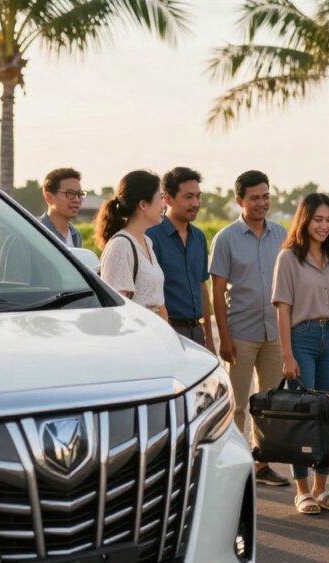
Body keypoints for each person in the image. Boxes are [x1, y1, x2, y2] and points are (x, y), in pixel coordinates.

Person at [272, 193, 329, 516]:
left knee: (328, 415)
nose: (324, 226)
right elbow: (282, 309)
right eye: (318, 219)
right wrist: (287, 354)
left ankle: (322, 489)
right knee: (305, 414)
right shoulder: (289, 258)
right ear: (305, 219)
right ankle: (302, 490)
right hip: (302, 338)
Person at [209, 170, 289, 487]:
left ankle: (261, 464)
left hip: (275, 333)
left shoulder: (282, 234)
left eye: (266, 196)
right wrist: (224, 337)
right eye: (255, 198)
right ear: (239, 200)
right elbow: (216, 292)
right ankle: (231, 465)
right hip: (240, 334)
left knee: (268, 405)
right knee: (238, 405)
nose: (262, 203)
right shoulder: (226, 238)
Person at [147, 166, 215, 352]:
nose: (196, 203)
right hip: (167, 332)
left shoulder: (199, 237)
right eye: (188, 197)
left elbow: (202, 286)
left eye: (198, 196)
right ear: (167, 198)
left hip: (196, 331)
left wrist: (208, 337)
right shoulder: (152, 237)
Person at [95, 170, 168, 321]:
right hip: (137, 336)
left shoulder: (146, 241)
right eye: (160, 197)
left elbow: (158, 303)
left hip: (154, 333)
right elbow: (117, 312)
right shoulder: (121, 246)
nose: (164, 204)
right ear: (143, 204)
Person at [39, 167, 85, 247]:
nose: (77, 200)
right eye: (70, 193)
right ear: (49, 197)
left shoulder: (75, 235)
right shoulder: (34, 232)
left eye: (80, 194)